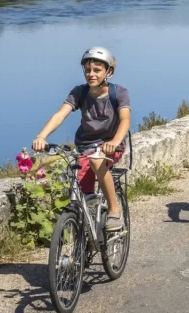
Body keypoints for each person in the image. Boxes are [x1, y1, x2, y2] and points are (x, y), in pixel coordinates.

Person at [32, 46, 131, 231]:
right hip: (85, 146)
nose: (91, 74)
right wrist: (41, 136)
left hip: (111, 145)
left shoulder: (119, 93)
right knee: (83, 194)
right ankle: (85, 231)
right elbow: (60, 115)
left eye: (97, 70)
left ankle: (114, 210)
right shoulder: (80, 92)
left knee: (96, 161)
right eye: (87, 70)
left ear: (109, 72)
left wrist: (115, 142)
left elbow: (125, 120)